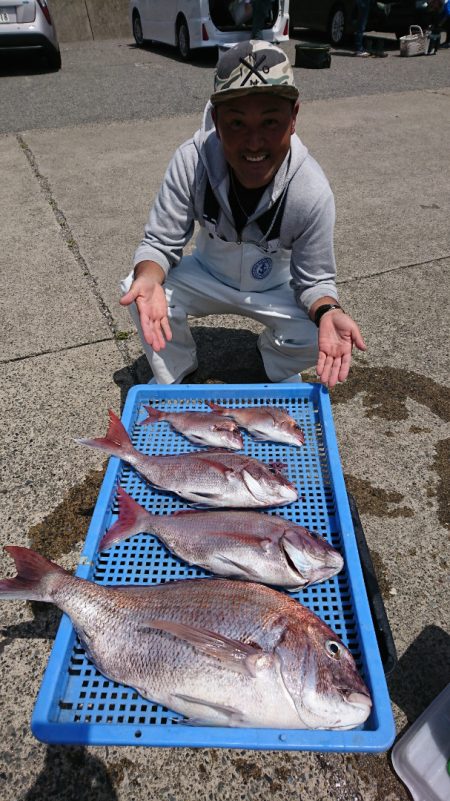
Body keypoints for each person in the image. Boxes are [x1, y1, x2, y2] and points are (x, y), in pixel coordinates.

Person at [121, 41, 366, 388]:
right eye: (237, 124)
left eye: (270, 122)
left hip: (274, 286)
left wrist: (329, 311)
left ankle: (272, 361)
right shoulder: (191, 162)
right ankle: (176, 373)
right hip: (207, 271)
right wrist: (147, 277)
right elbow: (160, 243)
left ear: (293, 118)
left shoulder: (311, 190)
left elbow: (314, 281)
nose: (254, 142)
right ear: (217, 121)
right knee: (139, 289)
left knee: (324, 333)